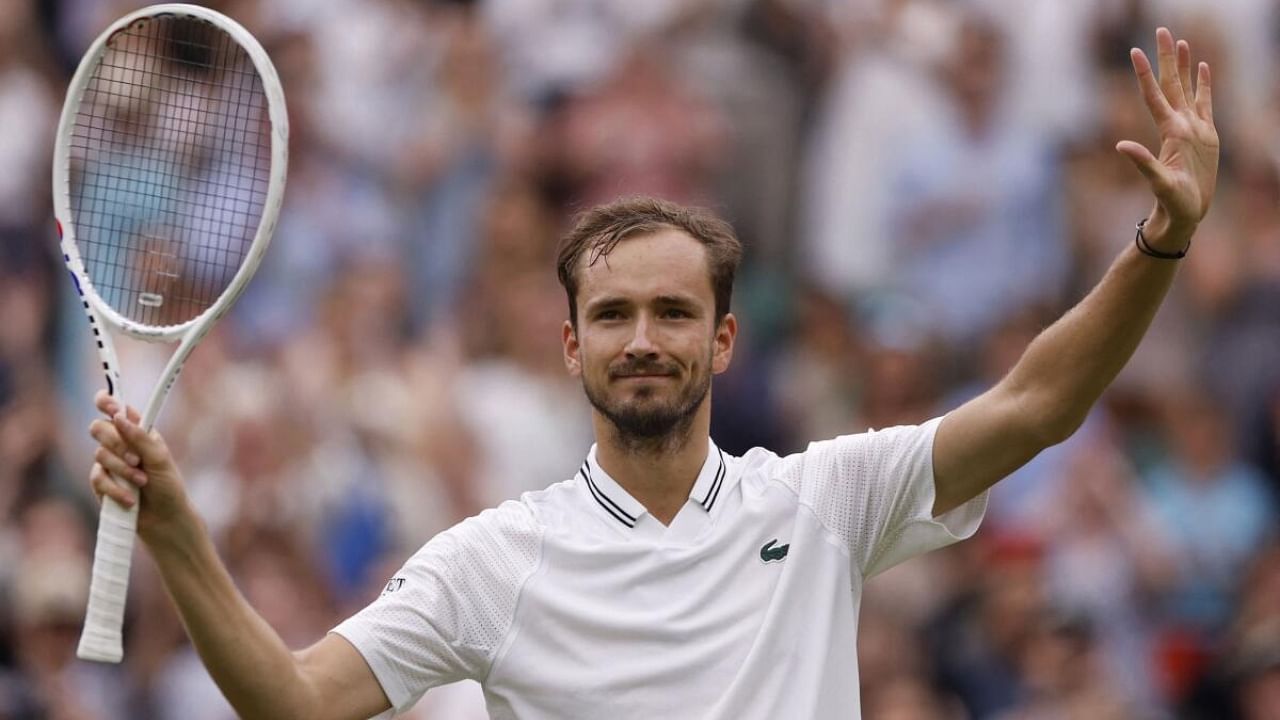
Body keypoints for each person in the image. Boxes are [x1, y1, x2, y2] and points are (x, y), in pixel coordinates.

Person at [85, 28, 1218, 720]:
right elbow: (290, 703)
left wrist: (1154, 244)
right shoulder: (491, 560)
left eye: (674, 312)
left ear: (723, 342)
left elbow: (1037, 402)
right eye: (613, 313)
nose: (642, 337)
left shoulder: (820, 502)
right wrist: (180, 530)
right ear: (568, 343)